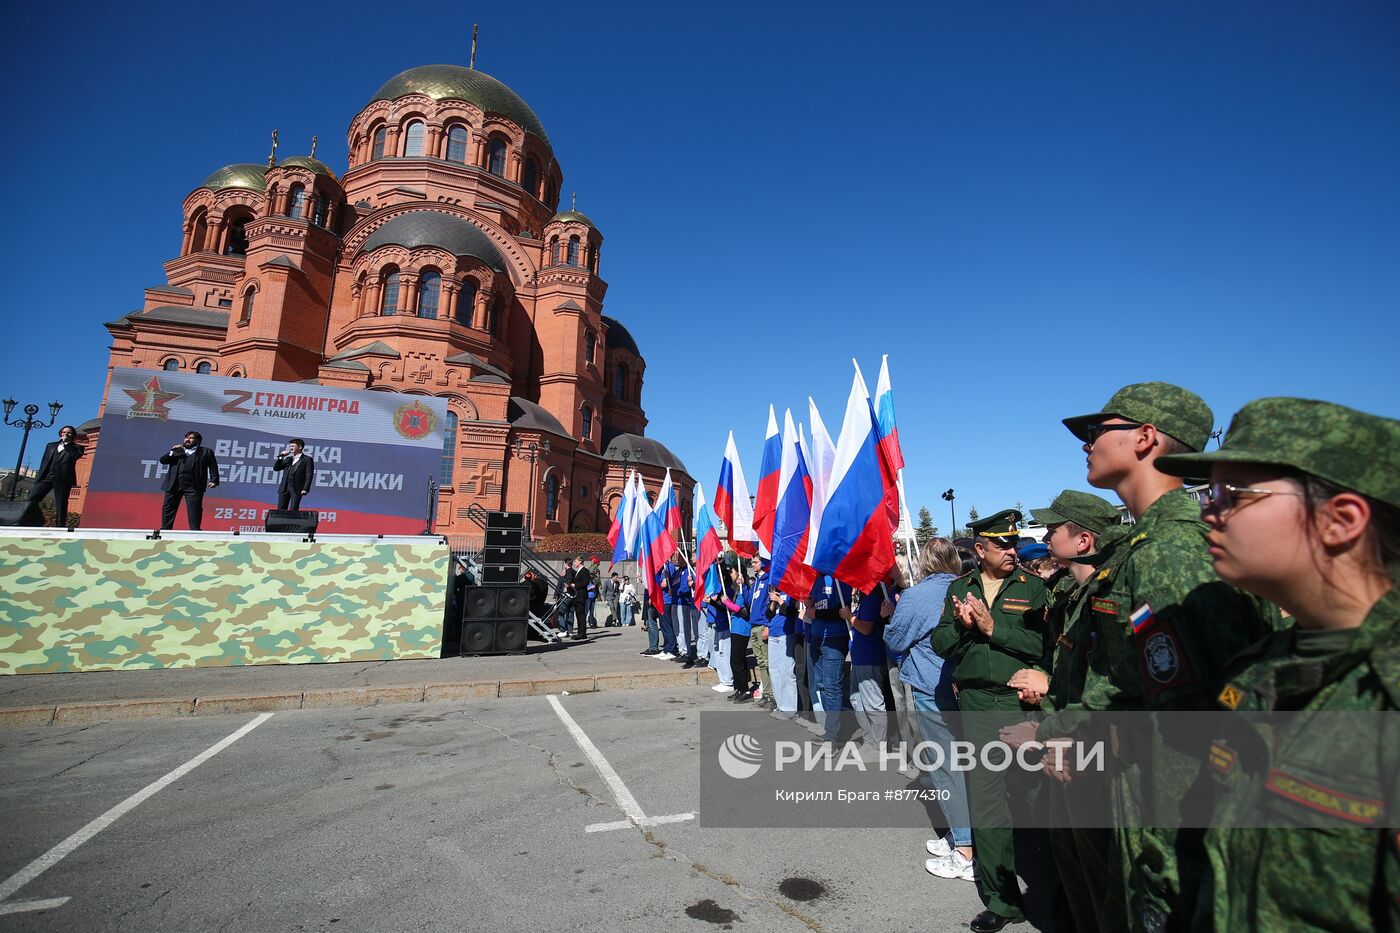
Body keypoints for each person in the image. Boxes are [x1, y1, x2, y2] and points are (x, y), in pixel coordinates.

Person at [1150, 397, 1400, 932]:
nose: (1208, 509)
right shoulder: (1261, 668)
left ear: (1341, 519)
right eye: (1207, 493)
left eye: (1231, 495)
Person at [1055, 382, 1283, 931]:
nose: (1085, 445)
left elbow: (1197, 720)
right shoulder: (1143, 545)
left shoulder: (1170, 550)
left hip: (1168, 800)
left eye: (1096, 431)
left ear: (1145, 437)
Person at [999, 490, 1122, 933]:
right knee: (1075, 876)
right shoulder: (1069, 590)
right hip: (1065, 736)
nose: (1046, 534)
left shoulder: (1108, 594)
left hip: (1092, 749)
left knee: (1104, 883)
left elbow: (1109, 684)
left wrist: (1048, 710)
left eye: (1055, 528)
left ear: (1084, 540)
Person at [930, 509, 1049, 933]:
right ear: (980, 549)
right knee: (987, 801)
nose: (1013, 550)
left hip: (1024, 703)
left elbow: (1043, 644)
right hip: (979, 703)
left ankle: (1052, 890)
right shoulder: (959, 588)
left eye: (1015, 543)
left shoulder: (1034, 588)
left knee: (1037, 797)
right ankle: (1003, 900)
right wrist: (964, 628)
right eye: (1003, 544)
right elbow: (940, 642)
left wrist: (993, 626)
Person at [886, 539, 976, 882]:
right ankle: (962, 833)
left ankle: (965, 850)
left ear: (923, 562)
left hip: (933, 687)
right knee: (966, 765)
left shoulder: (916, 596)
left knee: (946, 769)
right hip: (967, 688)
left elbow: (894, 639)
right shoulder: (969, 586)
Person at [158, 431, 220, 530]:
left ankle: (194, 531)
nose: (187, 439)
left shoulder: (206, 451)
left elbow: (213, 466)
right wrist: (172, 451)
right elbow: (163, 461)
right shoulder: (177, 451)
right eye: (186, 437)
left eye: (191, 438)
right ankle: (165, 530)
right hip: (174, 484)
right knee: (168, 508)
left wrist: (214, 480)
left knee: (194, 509)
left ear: (198, 441)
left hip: (194, 486)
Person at [27, 425, 84, 527]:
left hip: (63, 478)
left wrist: (66, 444)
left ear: (73, 435)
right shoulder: (51, 445)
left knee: (61, 502)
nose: (66, 434)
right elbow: (44, 462)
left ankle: (59, 525)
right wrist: (39, 478)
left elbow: (74, 456)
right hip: (48, 476)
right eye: (64, 432)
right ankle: (32, 520)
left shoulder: (77, 448)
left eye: (69, 433)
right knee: (32, 498)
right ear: (60, 433)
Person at [722, 566, 754, 702]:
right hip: (735, 628)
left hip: (742, 629)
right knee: (734, 661)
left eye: (732, 572)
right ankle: (739, 688)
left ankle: (745, 690)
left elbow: (741, 609)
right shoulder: (735, 589)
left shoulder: (742, 590)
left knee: (738, 661)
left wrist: (726, 602)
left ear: (739, 573)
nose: (730, 574)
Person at [272, 438, 315, 511]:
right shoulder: (288, 459)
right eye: (290, 446)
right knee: (281, 509)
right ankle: (280, 522)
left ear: (300, 447)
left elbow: (309, 475)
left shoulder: (307, 459)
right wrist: (281, 457)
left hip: (297, 488)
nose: (290, 448)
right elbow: (276, 468)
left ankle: (292, 522)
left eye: (293, 446)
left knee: (294, 509)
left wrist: (305, 489)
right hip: (284, 488)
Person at [572, 556, 592, 640]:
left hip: (581, 595)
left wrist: (575, 585)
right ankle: (580, 632)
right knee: (578, 614)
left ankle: (582, 633)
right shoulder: (578, 571)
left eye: (575, 561)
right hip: (577, 595)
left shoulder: (585, 571)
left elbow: (585, 582)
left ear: (580, 562)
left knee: (581, 614)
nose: (574, 562)